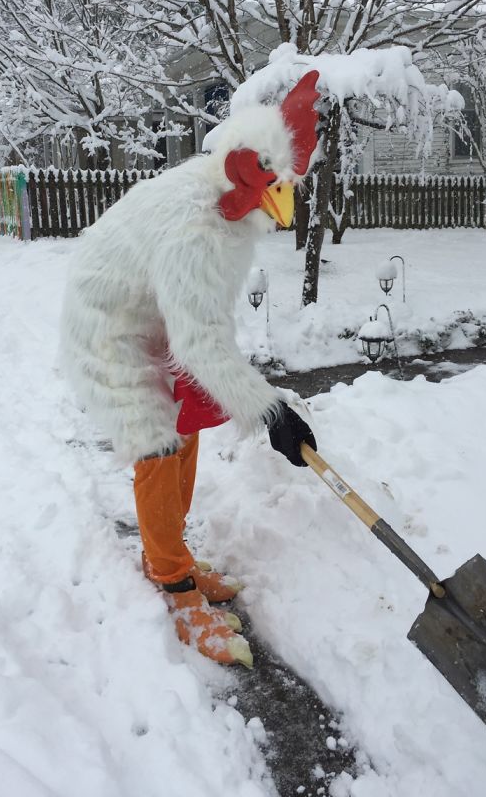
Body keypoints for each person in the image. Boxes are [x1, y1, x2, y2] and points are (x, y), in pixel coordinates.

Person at [61, 72, 320, 667]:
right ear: (234, 165)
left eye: (286, 184)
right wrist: (270, 410)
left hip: (149, 319)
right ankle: (174, 585)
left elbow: (204, 329)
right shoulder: (196, 225)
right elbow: (199, 340)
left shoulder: (225, 214)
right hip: (109, 334)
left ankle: (168, 550)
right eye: (268, 179)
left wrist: (257, 401)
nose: (281, 197)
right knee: (157, 444)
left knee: (188, 427)